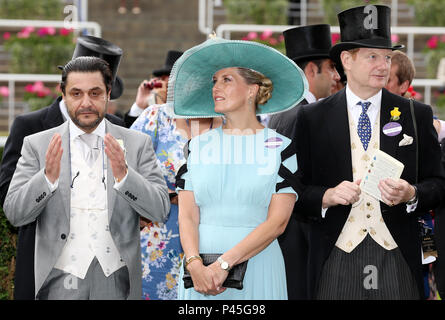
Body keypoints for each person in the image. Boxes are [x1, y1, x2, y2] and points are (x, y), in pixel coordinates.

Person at [293, 5, 445, 299]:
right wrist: (326, 196)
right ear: (346, 61)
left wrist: (411, 193)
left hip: (396, 253)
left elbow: (438, 184)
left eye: (387, 57)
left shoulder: (417, 114)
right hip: (336, 253)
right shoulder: (312, 118)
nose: (383, 65)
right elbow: (295, 191)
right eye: (372, 56)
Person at [3, 56, 170, 299]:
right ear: (64, 94)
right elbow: (15, 214)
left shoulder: (136, 143)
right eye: (76, 93)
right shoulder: (37, 144)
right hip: (59, 279)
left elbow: (160, 210)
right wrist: (47, 179)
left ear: (108, 93)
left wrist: (125, 176)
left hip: (117, 279)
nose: (86, 103)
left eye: (95, 93)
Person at [173, 36, 307, 299]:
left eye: (227, 79)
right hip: (199, 275)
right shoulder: (196, 147)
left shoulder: (281, 147)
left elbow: (278, 223)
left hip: (258, 268)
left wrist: (225, 264)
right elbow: (187, 216)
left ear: (252, 90)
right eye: (214, 81)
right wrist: (194, 264)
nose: (216, 87)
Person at [0, 35, 125, 300]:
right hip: (46, 270)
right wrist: (47, 180)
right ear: (64, 87)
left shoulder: (118, 127)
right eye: (79, 89)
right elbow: (8, 196)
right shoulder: (29, 126)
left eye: (96, 90)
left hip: (106, 276)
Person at [130, 71, 224, 299]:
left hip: (214, 242)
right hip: (157, 241)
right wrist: (169, 195)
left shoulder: (231, 125)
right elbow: (123, 172)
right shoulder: (155, 118)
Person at [267, 24, 340, 300]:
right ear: (312, 70)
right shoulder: (303, 113)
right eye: (330, 68)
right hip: (299, 234)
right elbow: (293, 179)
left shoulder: (285, 110)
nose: (335, 76)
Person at [124, 50, 183, 128]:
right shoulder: (150, 109)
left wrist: (161, 104)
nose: (163, 81)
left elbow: (167, 136)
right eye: (162, 77)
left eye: (170, 76)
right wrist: (139, 106)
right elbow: (129, 134)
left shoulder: (189, 113)